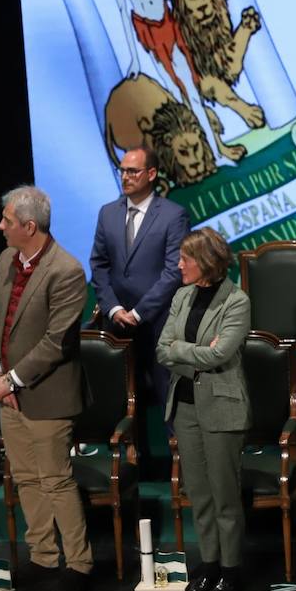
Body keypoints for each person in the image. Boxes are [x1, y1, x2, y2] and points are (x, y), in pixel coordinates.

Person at [0, 185, 91, 591]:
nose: (0, 226)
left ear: (29, 226)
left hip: (47, 395)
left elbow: (55, 343)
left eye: (7, 220)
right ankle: (43, 557)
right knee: (26, 478)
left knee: (56, 481)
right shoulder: (6, 260)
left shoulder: (66, 271)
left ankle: (79, 565)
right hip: (8, 393)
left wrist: (10, 381)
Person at [156, 228, 252, 591]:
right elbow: (162, 350)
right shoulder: (182, 295)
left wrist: (182, 351)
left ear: (206, 261)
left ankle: (231, 570)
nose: (179, 265)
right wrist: (194, 351)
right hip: (184, 405)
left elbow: (220, 354)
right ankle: (210, 564)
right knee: (198, 492)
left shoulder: (236, 301)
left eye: (185, 259)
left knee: (224, 493)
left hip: (222, 406)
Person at [89, 145, 190, 413]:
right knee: (119, 402)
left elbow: (174, 271)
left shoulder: (173, 215)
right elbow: (99, 265)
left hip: (158, 322)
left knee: (167, 398)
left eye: (133, 171)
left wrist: (138, 312)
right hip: (117, 324)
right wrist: (114, 309)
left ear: (152, 174)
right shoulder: (107, 213)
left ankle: (174, 440)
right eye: (122, 171)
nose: (125, 177)